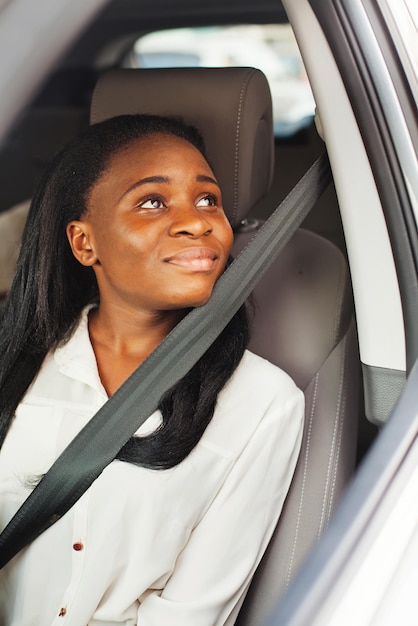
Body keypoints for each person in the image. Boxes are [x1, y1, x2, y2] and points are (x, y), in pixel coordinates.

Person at [0, 114, 304, 626]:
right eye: (152, 202)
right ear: (84, 243)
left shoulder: (262, 403)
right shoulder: (14, 364)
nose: (198, 221)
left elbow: (192, 612)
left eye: (208, 199)